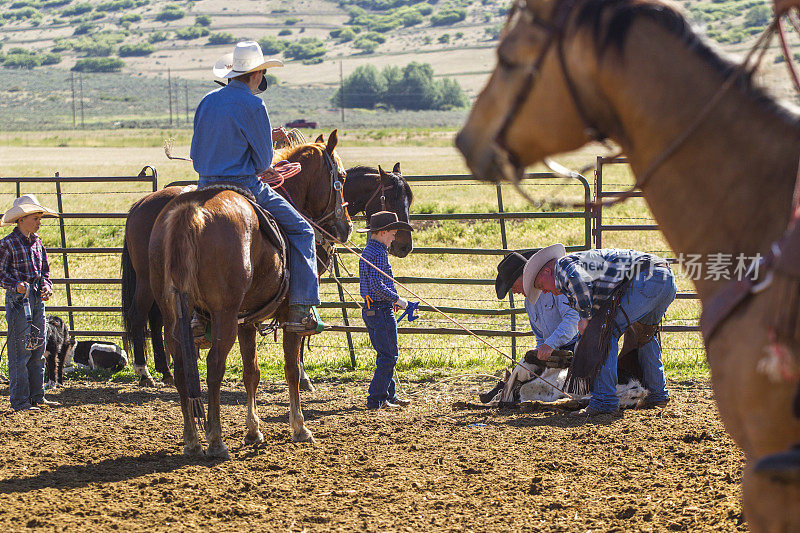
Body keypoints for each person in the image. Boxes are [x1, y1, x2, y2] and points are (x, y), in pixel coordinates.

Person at [190, 40, 321, 335]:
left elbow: (197, 153)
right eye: (261, 72)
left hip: (202, 187)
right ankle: (301, 307)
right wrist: (267, 148)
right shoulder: (254, 104)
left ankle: (197, 316)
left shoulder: (207, 100)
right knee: (303, 231)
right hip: (244, 186)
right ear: (256, 74)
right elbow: (262, 162)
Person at [523, 245, 676, 417]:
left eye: (540, 285)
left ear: (546, 272)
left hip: (645, 280)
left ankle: (604, 401)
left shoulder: (563, 266)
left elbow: (579, 282)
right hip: (664, 277)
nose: (544, 291)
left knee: (604, 333)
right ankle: (657, 394)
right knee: (644, 336)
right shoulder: (581, 261)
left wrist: (585, 317)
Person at [480, 251, 580, 403]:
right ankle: (506, 390)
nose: (514, 291)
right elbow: (540, 337)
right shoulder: (529, 303)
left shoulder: (555, 289)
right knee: (524, 367)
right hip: (553, 352)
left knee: (544, 385)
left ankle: (509, 392)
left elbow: (573, 319)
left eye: (513, 285)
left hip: (575, 348)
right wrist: (540, 353)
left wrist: (549, 345)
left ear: (525, 278)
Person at [0, 195, 60, 411]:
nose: (38, 222)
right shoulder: (7, 244)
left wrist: (47, 286)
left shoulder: (37, 242)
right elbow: (0, 273)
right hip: (19, 300)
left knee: (38, 349)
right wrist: (15, 285)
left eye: (39, 218)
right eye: (35, 218)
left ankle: (37, 396)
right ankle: (20, 400)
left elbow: (45, 271)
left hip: (35, 297)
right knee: (21, 352)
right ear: (22, 219)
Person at [358, 211, 414, 410]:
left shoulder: (369, 251)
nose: (394, 239)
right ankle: (377, 398)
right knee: (389, 355)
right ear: (383, 233)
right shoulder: (378, 253)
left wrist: (393, 300)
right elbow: (377, 286)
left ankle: (389, 394)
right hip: (380, 309)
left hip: (373, 309)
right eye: (393, 234)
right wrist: (399, 299)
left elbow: (375, 286)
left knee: (385, 353)